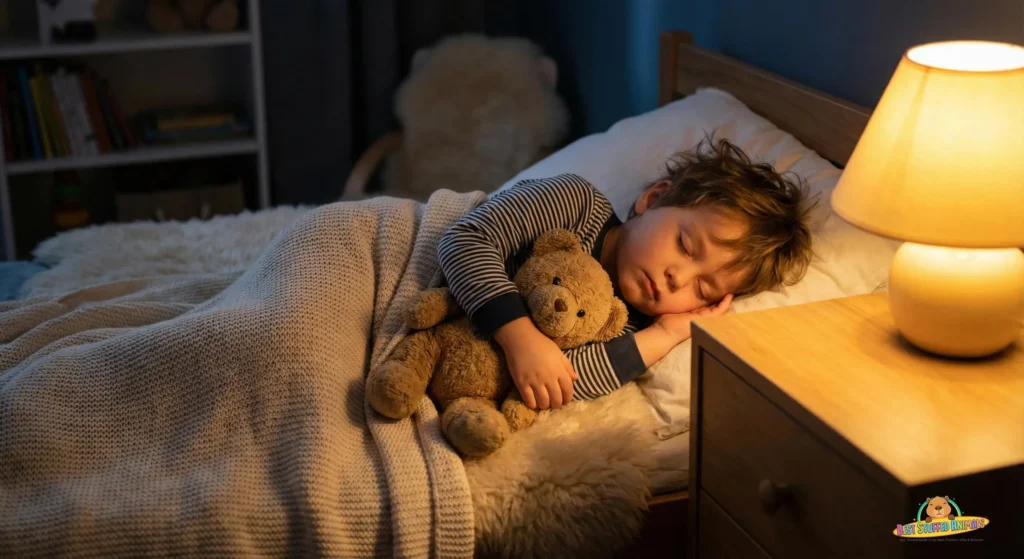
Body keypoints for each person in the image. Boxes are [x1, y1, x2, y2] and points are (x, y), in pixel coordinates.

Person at [437, 136, 816, 410]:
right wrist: (521, 339)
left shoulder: (629, 324)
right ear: (652, 199)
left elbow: (561, 382)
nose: (677, 279)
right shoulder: (575, 203)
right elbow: (464, 242)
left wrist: (665, 335)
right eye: (685, 245)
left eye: (703, 289)